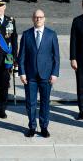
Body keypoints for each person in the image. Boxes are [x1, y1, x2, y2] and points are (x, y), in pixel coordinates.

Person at [18, 9, 60, 138]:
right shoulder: (26, 34)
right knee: (30, 103)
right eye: (36, 17)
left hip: (46, 76)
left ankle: (44, 127)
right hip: (30, 76)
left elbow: (56, 57)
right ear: (32, 19)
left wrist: (55, 73)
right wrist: (22, 72)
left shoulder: (51, 34)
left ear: (44, 18)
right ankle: (32, 126)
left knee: (45, 103)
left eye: (40, 17)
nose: (38, 19)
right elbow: (22, 56)